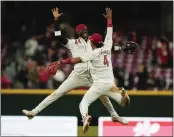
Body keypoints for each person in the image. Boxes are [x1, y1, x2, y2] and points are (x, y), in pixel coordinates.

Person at [22, 7, 130, 124]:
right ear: (77, 32)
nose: (84, 31)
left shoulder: (92, 41)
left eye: (85, 29)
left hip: (91, 76)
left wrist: (122, 48)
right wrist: (56, 21)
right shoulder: (72, 43)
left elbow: (108, 47)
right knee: (57, 93)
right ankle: (34, 112)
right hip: (77, 75)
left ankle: (115, 115)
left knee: (103, 96)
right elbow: (58, 36)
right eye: (81, 30)